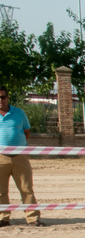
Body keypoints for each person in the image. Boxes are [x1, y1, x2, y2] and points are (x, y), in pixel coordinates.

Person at [0, 85, 44, 227]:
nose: (0, 100)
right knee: (0, 191)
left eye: (2, 97)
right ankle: (3, 218)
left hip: (20, 156)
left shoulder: (19, 113)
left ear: (7, 97)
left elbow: (26, 132)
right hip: (0, 157)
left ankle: (32, 218)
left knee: (27, 189)